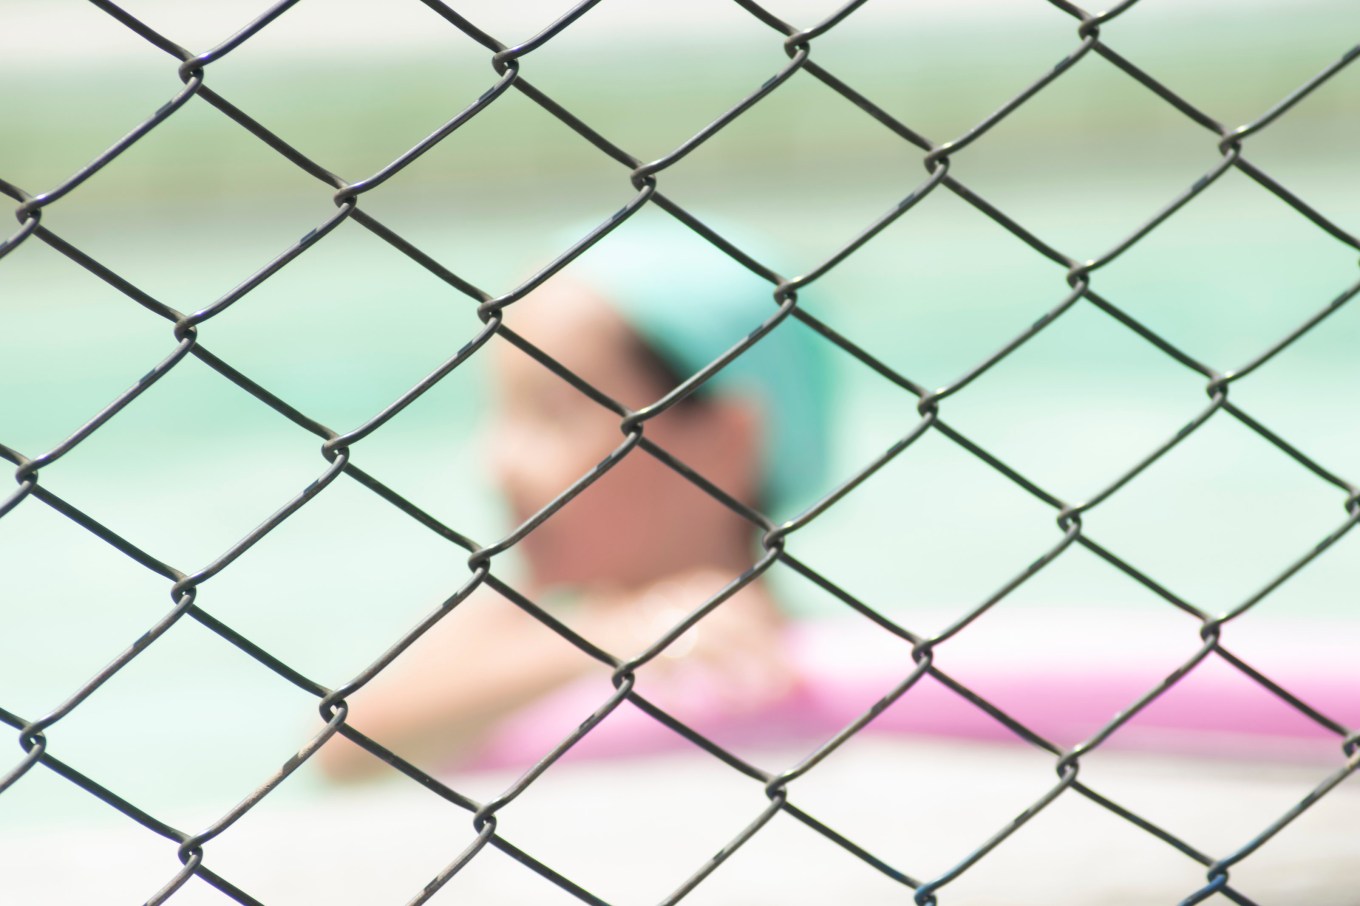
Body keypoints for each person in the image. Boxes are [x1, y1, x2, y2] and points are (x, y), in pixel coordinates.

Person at [318, 221, 831, 781]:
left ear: (723, 442)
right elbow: (344, 747)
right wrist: (612, 634)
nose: (498, 462)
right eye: (501, 412)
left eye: (552, 412)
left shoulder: (812, 665)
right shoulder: (512, 624)